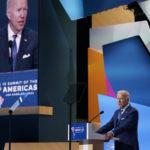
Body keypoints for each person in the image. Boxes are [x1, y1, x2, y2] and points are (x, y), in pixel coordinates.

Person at [0, 0, 38, 73]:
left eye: (25, 10)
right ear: (9, 14)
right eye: (19, 10)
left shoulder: (35, 39)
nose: (22, 15)